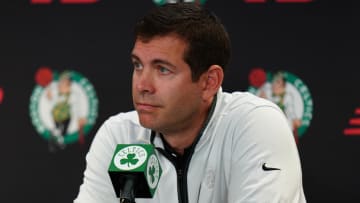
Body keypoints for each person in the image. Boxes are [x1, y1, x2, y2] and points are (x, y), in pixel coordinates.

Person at [74, 3, 306, 203]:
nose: (142, 85)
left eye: (162, 69)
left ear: (209, 82)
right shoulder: (120, 136)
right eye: (138, 65)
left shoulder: (255, 124)